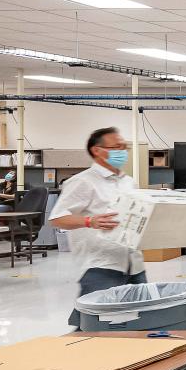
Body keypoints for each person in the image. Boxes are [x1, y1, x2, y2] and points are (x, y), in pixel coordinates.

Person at [49, 127, 146, 311]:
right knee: (98, 324)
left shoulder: (129, 182)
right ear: (97, 150)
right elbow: (57, 218)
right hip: (100, 264)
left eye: (124, 147)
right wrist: (89, 221)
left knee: (139, 321)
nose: (122, 151)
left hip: (133, 263)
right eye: (117, 147)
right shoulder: (82, 181)